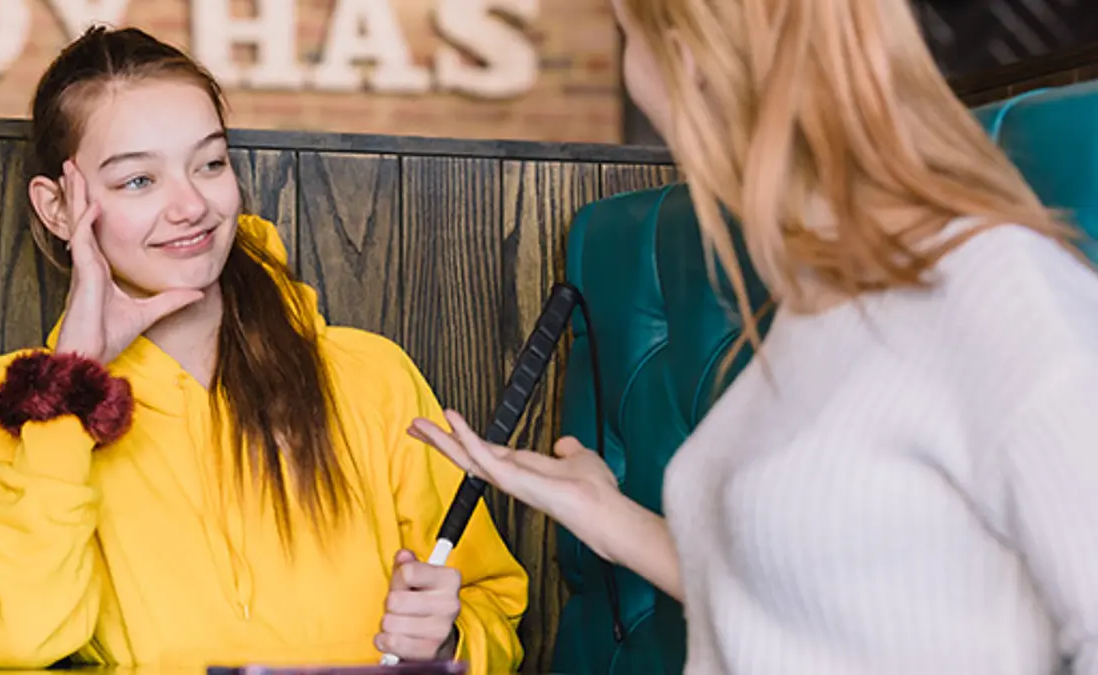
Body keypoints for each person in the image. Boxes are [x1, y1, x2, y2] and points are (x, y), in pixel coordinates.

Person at [410, 0, 1098, 673]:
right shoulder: (819, 305)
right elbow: (809, 608)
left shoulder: (996, 289)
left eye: (626, 37)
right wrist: (606, 517)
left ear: (686, 59)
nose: (632, 77)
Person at [0, 26, 526, 673]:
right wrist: (70, 389)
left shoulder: (371, 375)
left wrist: (450, 640)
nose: (192, 204)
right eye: (139, 180)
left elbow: (493, 612)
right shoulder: (15, 404)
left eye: (210, 163)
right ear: (58, 208)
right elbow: (16, 640)